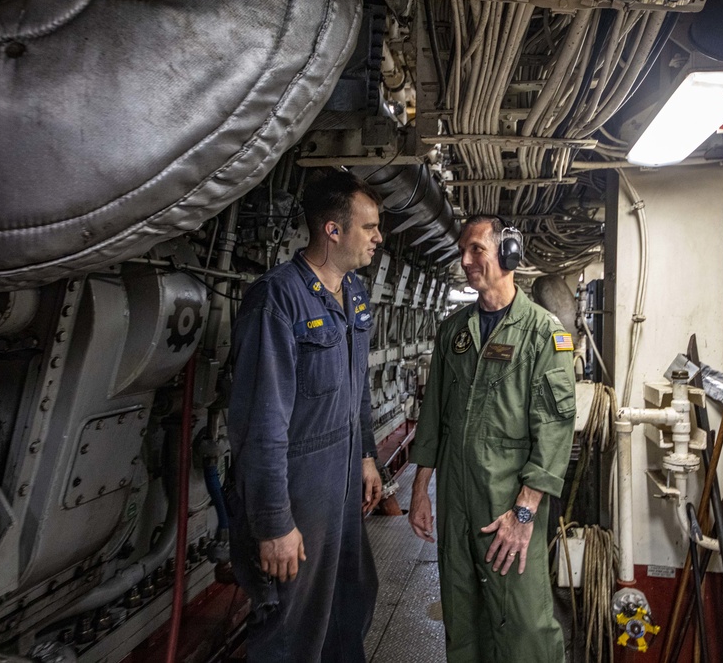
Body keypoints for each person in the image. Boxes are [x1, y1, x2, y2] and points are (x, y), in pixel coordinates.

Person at [226, 168, 384, 662]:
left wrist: (365, 457)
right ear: (332, 230)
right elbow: (261, 423)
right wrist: (274, 523)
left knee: (351, 600)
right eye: (369, 227)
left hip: (340, 483)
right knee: (292, 627)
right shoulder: (277, 299)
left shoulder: (353, 292)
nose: (379, 238)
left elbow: (356, 388)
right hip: (299, 489)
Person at [408, 215, 577, 662]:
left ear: (508, 254)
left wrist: (524, 513)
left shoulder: (545, 334)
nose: (465, 261)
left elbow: (555, 430)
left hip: (508, 501)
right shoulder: (454, 331)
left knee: (523, 624)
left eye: (476, 250)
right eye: (463, 252)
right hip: (456, 502)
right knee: (461, 618)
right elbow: (434, 415)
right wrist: (421, 488)